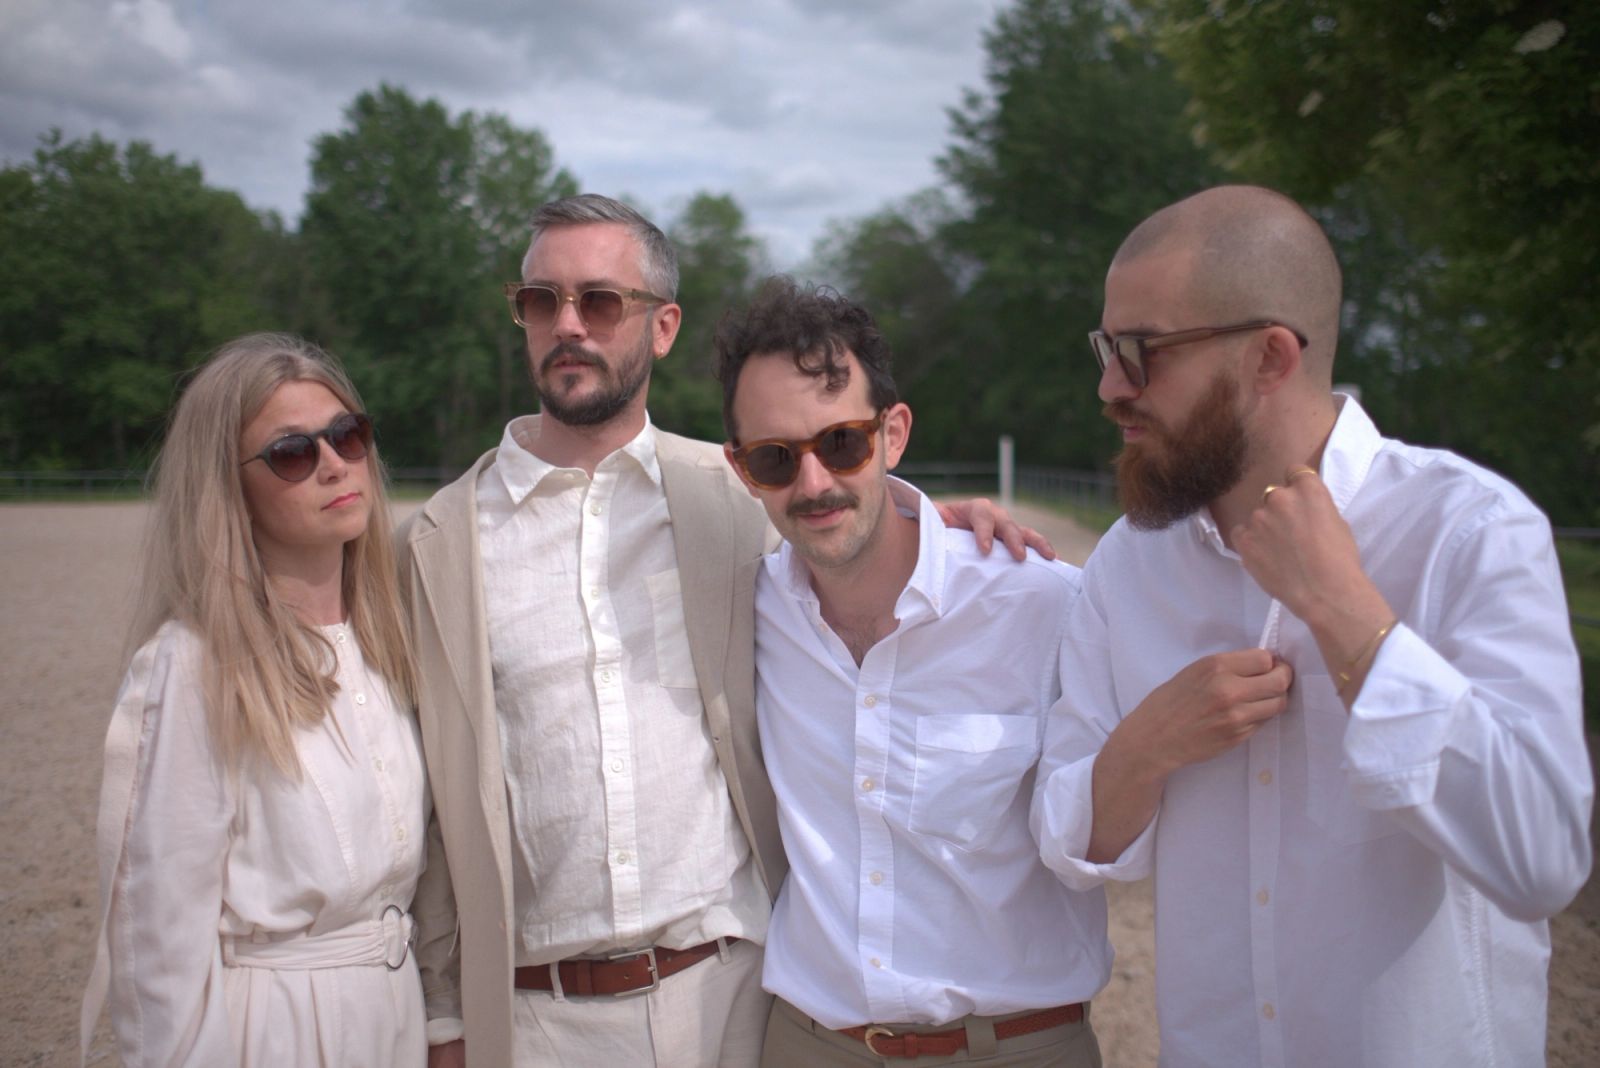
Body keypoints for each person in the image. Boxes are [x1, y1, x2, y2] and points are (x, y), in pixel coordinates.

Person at [402, 194, 1047, 1067]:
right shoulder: (439, 543)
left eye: (600, 301)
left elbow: (839, 504)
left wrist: (934, 519)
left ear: (663, 326)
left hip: (734, 1004)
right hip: (535, 1023)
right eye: (541, 301)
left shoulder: (742, 493)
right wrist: (445, 1016)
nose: (568, 325)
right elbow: (428, 800)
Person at [1031, 185, 1593, 1066]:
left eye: (1141, 353)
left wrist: (1346, 615)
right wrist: (1145, 748)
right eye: (1106, 349)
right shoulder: (1127, 565)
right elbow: (1069, 844)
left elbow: (1541, 861)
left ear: (1270, 356)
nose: (1110, 387)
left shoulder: (1468, 532)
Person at [714, 279, 1109, 1067]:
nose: (814, 484)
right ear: (741, 468)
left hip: (1017, 1049)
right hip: (810, 1046)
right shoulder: (743, 614)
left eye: (842, 444)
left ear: (892, 433)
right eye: (776, 458)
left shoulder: (1044, 605)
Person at [81, 333, 428, 1066]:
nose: (334, 464)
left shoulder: (389, 642)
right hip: (274, 1035)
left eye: (347, 434)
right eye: (291, 452)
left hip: (397, 1019)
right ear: (228, 488)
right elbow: (158, 945)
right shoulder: (195, 664)